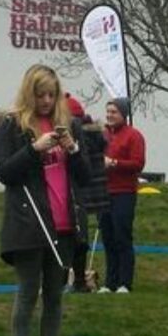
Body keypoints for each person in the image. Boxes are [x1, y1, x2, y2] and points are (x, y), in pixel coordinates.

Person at [0, 64, 90, 336]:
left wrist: (73, 149)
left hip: (64, 224)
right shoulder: (12, 126)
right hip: (28, 223)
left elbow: (86, 176)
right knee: (27, 294)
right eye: (40, 95)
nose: (47, 101)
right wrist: (34, 149)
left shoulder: (70, 125)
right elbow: (4, 172)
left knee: (55, 297)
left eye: (52, 94)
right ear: (29, 93)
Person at [97, 97, 145, 294]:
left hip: (124, 192)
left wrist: (115, 163)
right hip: (103, 192)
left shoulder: (134, 136)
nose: (109, 115)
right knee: (107, 237)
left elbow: (138, 164)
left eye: (114, 112)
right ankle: (110, 282)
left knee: (121, 236)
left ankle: (125, 282)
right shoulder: (102, 135)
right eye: (108, 111)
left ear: (123, 115)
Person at [66, 93, 110, 293]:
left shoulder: (79, 139)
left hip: (78, 191)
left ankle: (76, 279)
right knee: (81, 237)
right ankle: (78, 280)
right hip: (91, 192)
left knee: (77, 237)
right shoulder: (97, 137)